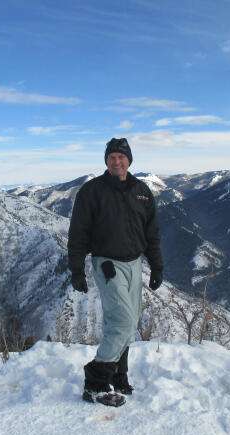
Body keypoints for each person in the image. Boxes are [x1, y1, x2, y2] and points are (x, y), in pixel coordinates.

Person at [68, 137, 163, 406]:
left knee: (126, 322)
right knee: (122, 322)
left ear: (129, 160)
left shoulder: (141, 191)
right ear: (106, 161)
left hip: (135, 264)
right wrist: (76, 270)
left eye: (121, 157)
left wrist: (157, 266)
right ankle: (96, 382)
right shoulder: (92, 191)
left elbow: (152, 234)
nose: (117, 161)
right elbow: (78, 233)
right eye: (112, 157)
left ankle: (118, 376)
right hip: (107, 264)